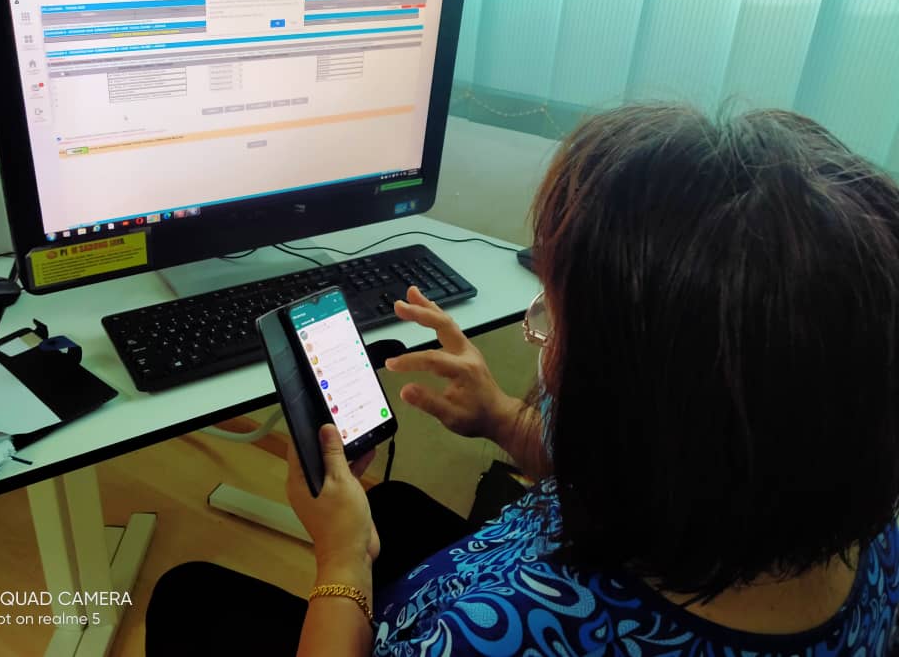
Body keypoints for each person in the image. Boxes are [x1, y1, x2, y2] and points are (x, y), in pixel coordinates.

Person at [145, 104, 899, 656]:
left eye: (556, 319)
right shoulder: (848, 516)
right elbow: (663, 492)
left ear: (642, 402)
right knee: (394, 508)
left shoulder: (493, 639)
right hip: (512, 568)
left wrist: (340, 561)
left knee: (191, 598)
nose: (541, 340)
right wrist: (507, 422)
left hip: (446, 614)